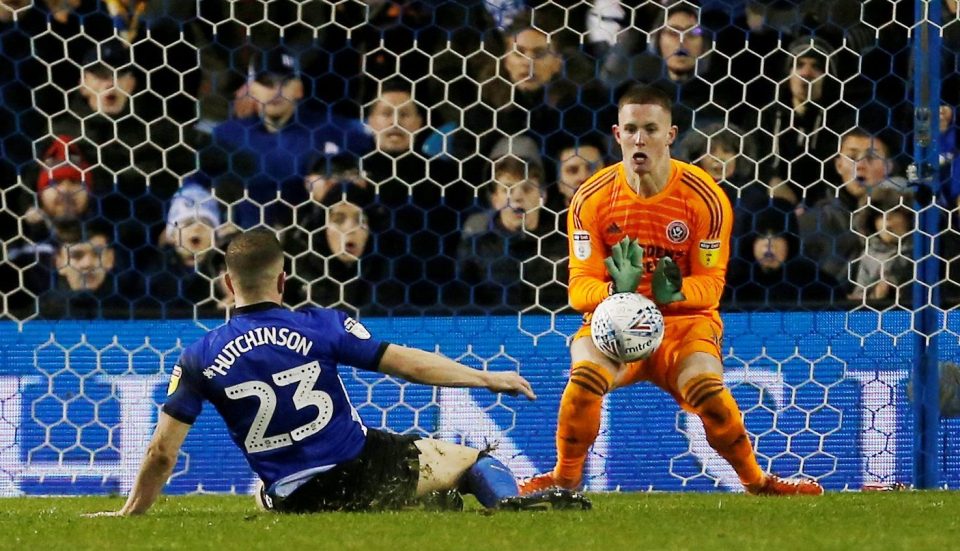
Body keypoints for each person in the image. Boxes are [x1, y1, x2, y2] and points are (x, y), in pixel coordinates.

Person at [87, 229, 589, 515]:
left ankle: (415, 509)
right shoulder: (321, 326)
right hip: (362, 470)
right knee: (470, 459)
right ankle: (507, 507)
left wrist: (130, 512)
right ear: (283, 280)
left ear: (226, 283)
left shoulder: (197, 356)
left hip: (293, 496)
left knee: (267, 499)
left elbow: (160, 453)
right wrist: (486, 378)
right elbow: (409, 365)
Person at [519, 85, 823, 496]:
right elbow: (578, 289)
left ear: (671, 135)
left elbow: (712, 286)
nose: (639, 139)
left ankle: (757, 482)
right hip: (614, 322)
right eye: (630, 129)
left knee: (708, 391)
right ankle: (565, 480)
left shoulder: (705, 198)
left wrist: (672, 293)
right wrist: (615, 291)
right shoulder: (590, 198)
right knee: (584, 377)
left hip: (683, 322)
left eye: (650, 129)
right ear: (617, 134)